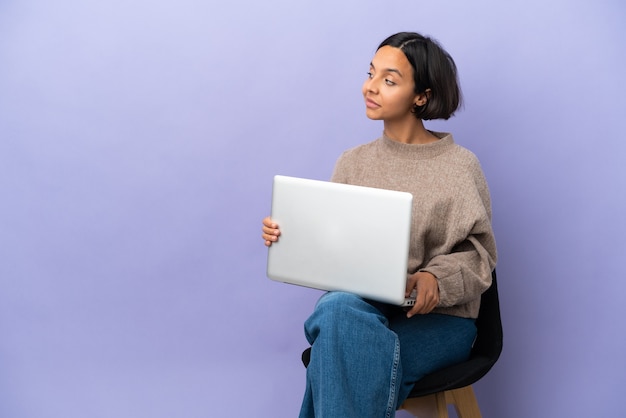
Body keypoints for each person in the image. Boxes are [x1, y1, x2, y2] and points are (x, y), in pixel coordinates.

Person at [261, 31, 497, 418]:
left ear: (421, 95)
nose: (370, 87)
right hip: (364, 309)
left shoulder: (459, 165)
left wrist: (435, 279)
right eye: (370, 74)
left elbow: (480, 255)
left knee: (338, 347)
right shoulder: (353, 162)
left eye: (388, 80)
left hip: (440, 321)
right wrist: (290, 236)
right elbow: (333, 244)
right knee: (340, 312)